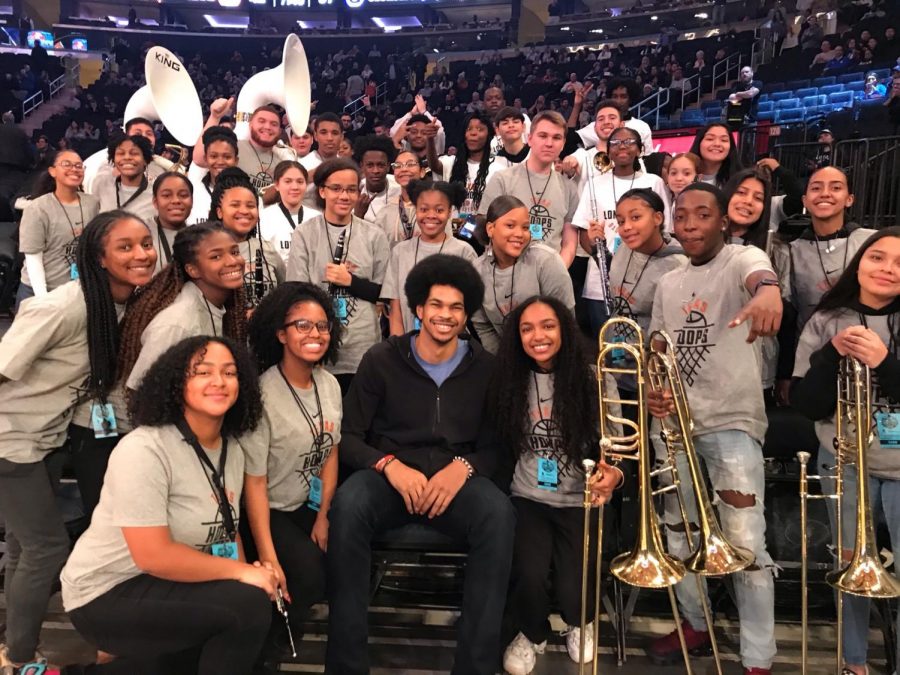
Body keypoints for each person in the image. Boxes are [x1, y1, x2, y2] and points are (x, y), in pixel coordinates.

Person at [326, 254, 515, 675]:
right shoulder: (381, 359)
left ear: (466, 315)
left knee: (498, 515)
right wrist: (389, 465)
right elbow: (351, 439)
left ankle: (475, 667)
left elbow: (500, 447)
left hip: (457, 479)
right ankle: (346, 665)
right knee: (349, 506)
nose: (445, 316)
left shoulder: (487, 367)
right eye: (436, 305)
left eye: (456, 308)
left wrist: (463, 468)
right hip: (391, 479)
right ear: (417, 308)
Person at [60, 336, 278, 675]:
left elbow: (226, 526)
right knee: (245, 610)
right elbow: (153, 556)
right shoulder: (145, 449)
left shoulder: (231, 450)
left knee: (251, 607)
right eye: (202, 372)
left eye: (230, 372)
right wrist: (242, 573)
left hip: (167, 583)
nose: (219, 381)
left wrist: (247, 577)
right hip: (106, 591)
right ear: (177, 383)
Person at [0, 211, 156, 669]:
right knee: (46, 548)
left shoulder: (118, 302)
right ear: (99, 257)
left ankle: (14, 643)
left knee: (25, 547)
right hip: (13, 442)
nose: (140, 254)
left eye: (145, 243)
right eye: (124, 247)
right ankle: (19, 655)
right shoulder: (65, 305)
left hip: (46, 440)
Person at [646, 182, 781, 675]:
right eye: (682, 216)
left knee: (746, 540)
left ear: (724, 220)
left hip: (730, 421)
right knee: (677, 533)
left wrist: (769, 291)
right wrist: (652, 389)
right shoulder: (668, 283)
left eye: (703, 215)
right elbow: (658, 351)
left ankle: (758, 658)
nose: (691, 225)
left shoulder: (743, 258)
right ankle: (696, 622)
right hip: (676, 425)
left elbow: (759, 276)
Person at [493, 296, 624, 675]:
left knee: (573, 586)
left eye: (548, 326)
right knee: (529, 574)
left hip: (580, 498)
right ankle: (530, 632)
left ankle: (580, 621)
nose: (538, 336)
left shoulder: (593, 376)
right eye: (527, 328)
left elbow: (615, 441)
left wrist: (613, 474)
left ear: (564, 329)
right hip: (528, 496)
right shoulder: (509, 379)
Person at [791, 227, 900, 675]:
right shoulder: (826, 318)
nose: (888, 269)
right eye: (878, 258)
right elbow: (806, 403)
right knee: (852, 566)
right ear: (860, 263)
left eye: (899, 263)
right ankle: (853, 661)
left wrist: (885, 363)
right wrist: (830, 357)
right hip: (844, 461)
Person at [243, 282, 343, 648]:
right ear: (281, 334)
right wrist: (269, 556)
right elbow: (253, 483)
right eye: (302, 325)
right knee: (306, 575)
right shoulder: (262, 394)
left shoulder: (329, 384)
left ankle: (281, 630)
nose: (314, 333)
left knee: (345, 562)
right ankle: (262, 645)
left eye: (321, 325)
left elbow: (330, 451)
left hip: (308, 504)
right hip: (267, 508)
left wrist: (324, 514)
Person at [285, 158, 390, 394]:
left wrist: (350, 282)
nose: (344, 196)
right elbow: (296, 292)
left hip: (362, 347)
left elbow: (384, 293)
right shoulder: (305, 233)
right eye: (336, 189)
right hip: (317, 344)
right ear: (322, 191)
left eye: (351, 190)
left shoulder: (374, 235)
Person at [118, 222, 248, 393]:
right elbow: (140, 391)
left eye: (235, 252)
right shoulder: (177, 322)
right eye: (216, 257)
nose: (233, 261)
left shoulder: (220, 304)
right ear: (193, 270)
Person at [573, 126, 672, 333]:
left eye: (629, 142)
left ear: (640, 149)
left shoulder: (653, 182)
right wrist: (596, 251)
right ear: (608, 151)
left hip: (646, 282)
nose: (622, 147)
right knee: (610, 350)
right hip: (601, 284)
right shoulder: (594, 184)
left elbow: (665, 231)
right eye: (615, 143)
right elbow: (584, 232)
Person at [606, 188, 685, 403]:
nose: (627, 227)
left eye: (636, 217)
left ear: (658, 218)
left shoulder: (678, 265)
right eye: (621, 221)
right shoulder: (624, 249)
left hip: (651, 370)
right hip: (618, 356)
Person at [471, 196, 575, 353]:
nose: (520, 234)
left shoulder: (546, 261)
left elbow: (566, 321)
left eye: (525, 227)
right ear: (490, 229)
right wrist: (502, 362)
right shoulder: (476, 271)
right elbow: (483, 325)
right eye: (510, 225)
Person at [478, 111, 580, 266]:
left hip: (550, 276)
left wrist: (556, 274)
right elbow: (487, 232)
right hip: (506, 273)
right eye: (543, 136)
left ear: (563, 144)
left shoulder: (569, 188)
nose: (549, 143)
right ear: (530, 139)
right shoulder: (503, 179)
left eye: (556, 137)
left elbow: (569, 245)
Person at [382, 180, 478, 335]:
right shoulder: (400, 251)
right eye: (424, 209)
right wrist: (399, 349)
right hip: (409, 346)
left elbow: (470, 308)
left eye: (439, 210)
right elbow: (395, 309)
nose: (431, 216)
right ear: (416, 210)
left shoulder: (464, 252)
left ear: (449, 212)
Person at [16, 150, 100, 310]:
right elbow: (33, 259)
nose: (74, 169)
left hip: (76, 292)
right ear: (52, 171)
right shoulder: (38, 208)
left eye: (78, 165)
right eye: (66, 164)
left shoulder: (92, 204)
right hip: (39, 291)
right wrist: (44, 299)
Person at [210, 168, 285, 310]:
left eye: (251, 206)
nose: (244, 211)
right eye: (235, 205)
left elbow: (284, 292)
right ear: (219, 212)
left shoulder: (267, 249)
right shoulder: (208, 252)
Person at [429, 111, 499, 220]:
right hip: (452, 231)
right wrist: (430, 139)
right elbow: (434, 165)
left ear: (489, 135)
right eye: (468, 129)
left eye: (480, 129)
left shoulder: (498, 168)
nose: (473, 133)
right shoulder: (452, 163)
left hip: (482, 232)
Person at [259, 161, 321, 264]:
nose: (295, 187)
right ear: (277, 185)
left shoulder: (317, 218)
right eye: (288, 181)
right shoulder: (264, 217)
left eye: (300, 182)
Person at [91, 134, 156, 225]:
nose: (127, 157)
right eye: (121, 153)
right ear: (113, 159)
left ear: (145, 160)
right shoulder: (102, 185)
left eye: (134, 153)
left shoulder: (156, 194)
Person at [236, 105, 296, 194]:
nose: (268, 127)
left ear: (279, 131)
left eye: (274, 124)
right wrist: (215, 117)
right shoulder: (234, 147)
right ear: (250, 125)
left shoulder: (283, 161)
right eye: (261, 121)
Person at [188, 125, 239, 224]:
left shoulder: (247, 193)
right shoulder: (193, 190)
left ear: (236, 161)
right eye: (214, 156)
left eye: (227, 157)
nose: (220, 162)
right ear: (206, 159)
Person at [374, 149, 426, 246]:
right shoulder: (385, 212)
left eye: (410, 164)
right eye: (398, 165)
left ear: (422, 172)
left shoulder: (435, 207)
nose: (404, 169)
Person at [151, 172, 193, 271]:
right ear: (155, 202)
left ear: (192, 201)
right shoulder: (141, 233)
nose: (176, 201)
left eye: (183, 195)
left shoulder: (200, 236)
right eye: (166, 195)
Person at [353, 135, 400, 222]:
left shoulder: (399, 187)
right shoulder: (354, 191)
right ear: (362, 166)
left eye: (381, 165)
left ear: (388, 166)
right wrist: (358, 215)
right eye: (370, 165)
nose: (375, 171)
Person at [688, 122, 743, 188]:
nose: (717, 144)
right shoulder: (681, 177)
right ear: (699, 143)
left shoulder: (741, 181)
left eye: (724, 140)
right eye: (710, 139)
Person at [300, 112, 343, 178]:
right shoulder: (302, 165)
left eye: (335, 133)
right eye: (323, 133)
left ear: (341, 137)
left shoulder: (345, 166)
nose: (329, 138)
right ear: (315, 136)